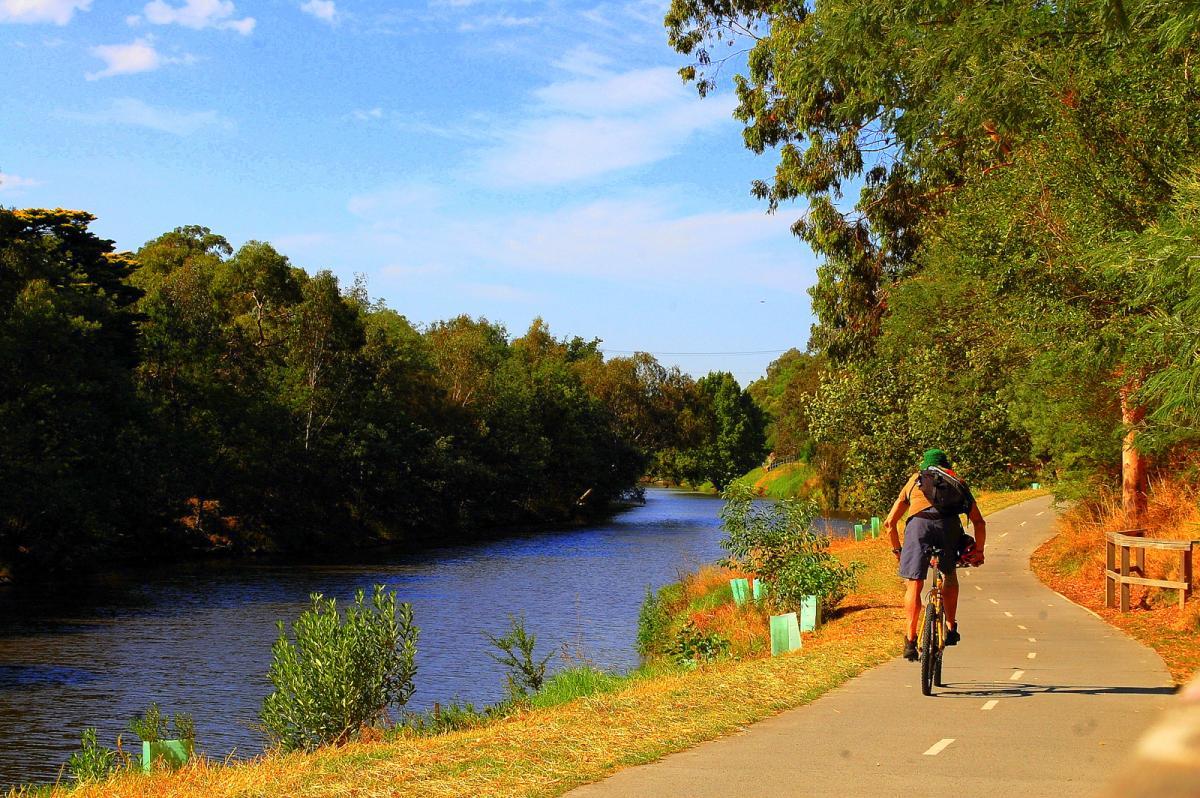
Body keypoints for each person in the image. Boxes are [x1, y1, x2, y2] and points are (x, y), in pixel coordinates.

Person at [883, 449, 986, 662]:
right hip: (948, 527)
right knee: (949, 576)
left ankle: (910, 641)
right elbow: (979, 522)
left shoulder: (915, 480)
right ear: (946, 465)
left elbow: (889, 523)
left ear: (924, 465)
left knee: (914, 583)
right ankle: (950, 627)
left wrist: (898, 551)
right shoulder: (956, 480)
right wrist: (979, 551)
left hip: (918, 528)